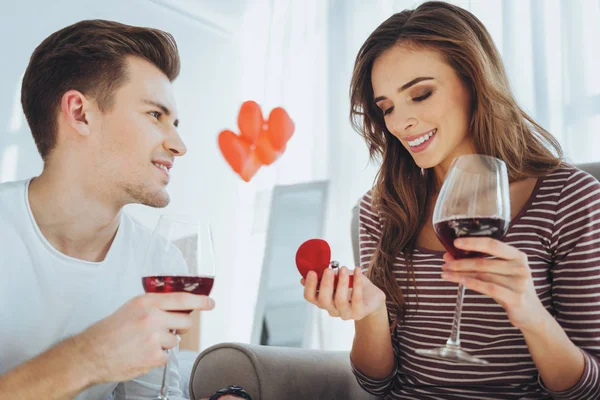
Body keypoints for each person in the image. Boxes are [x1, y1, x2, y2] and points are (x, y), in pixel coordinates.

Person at [302, 2, 600, 398]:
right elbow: (376, 382)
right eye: (386, 107)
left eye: (421, 94)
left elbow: (587, 390)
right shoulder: (382, 208)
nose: (399, 123)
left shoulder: (570, 199)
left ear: (475, 80)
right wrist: (370, 314)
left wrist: (531, 314)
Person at [0, 19, 245, 400]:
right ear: (80, 113)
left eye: (175, 123)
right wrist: (88, 356)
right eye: (155, 115)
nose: (179, 144)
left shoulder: (159, 261)